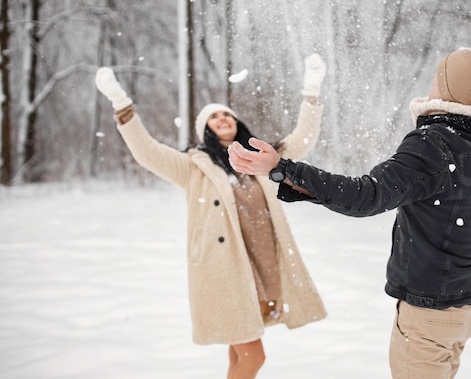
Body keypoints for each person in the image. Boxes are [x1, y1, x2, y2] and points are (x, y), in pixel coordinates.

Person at [227, 48, 471, 379]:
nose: (431, 83)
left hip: (428, 313)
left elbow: (366, 194)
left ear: (449, 87)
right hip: (464, 310)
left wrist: (282, 168)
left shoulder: (433, 144)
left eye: (437, 77)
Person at [94, 54, 328, 379]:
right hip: (225, 272)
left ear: (237, 122)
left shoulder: (263, 158)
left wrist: (311, 90)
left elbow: (303, 138)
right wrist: (122, 105)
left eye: (226, 114)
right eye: (213, 116)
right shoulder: (194, 166)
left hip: (261, 268)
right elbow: (147, 152)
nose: (221, 118)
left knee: (238, 353)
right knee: (253, 356)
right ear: (205, 129)